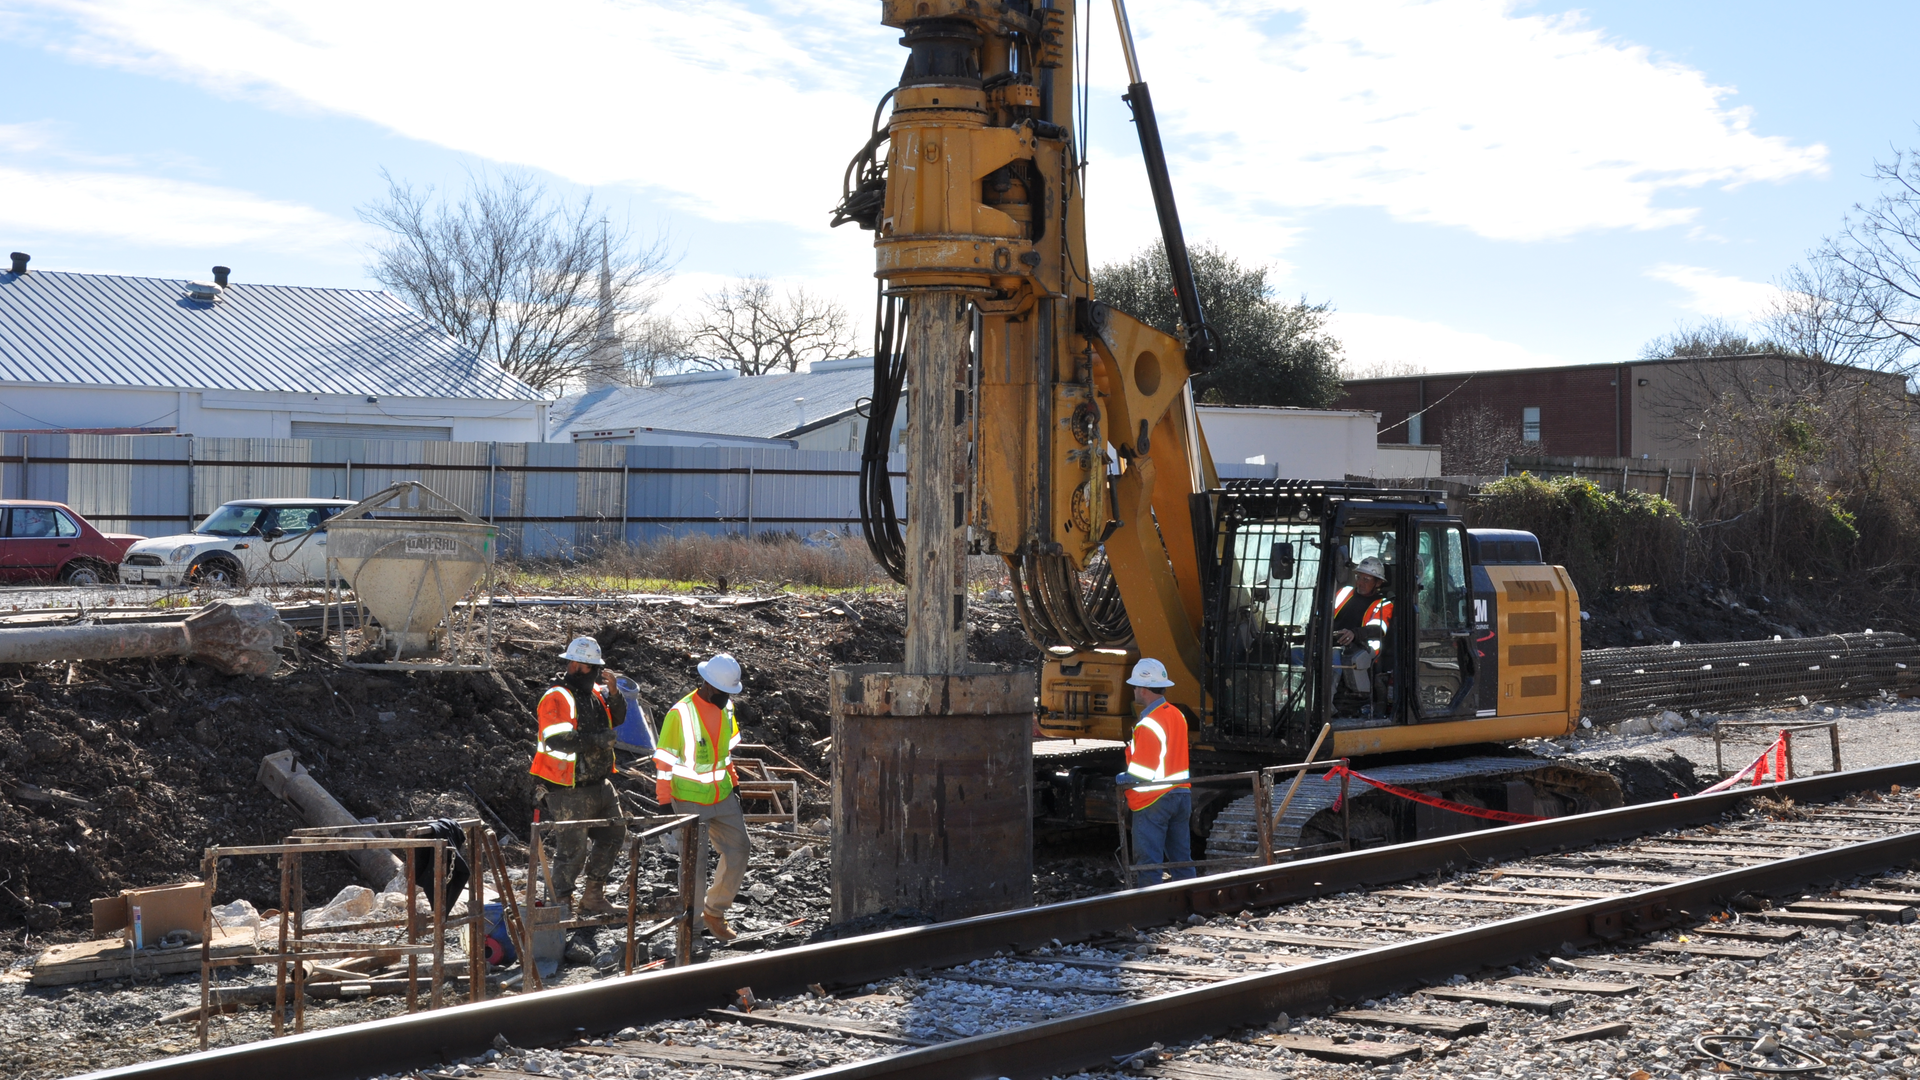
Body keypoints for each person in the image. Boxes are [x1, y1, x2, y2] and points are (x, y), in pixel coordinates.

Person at [653, 652, 751, 943]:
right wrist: (662, 801)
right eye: (723, 692)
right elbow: (664, 762)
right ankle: (691, 931)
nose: (726, 697)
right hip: (689, 798)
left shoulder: (727, 708)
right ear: (707, 685)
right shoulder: (680, 713)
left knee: (739, 850)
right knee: (693, 867)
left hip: (721, 794)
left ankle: (714, 912)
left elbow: (725, 754)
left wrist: (734, 783)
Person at [529, 636, 629, 916]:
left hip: (599, 782)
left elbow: (617, 718)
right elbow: (557, 740)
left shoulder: (595, 692)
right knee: (572, 850)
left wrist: (615, 694)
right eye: (580, 664)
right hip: (567, 787)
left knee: (613, 834)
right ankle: (561, 904)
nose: (579, 668)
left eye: (589, 666)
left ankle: (593, 896)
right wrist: (597, 740)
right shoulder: (557, 697)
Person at [1114, 658, 1193, 884]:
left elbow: (1143, 773)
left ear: (1144, 689)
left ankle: (1151, 911)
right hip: (1181, 795)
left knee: (1148, 864)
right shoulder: (1177, 715)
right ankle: (1191, 905)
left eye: (1136, 686)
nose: (1134, 690)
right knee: (1182, 861)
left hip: (1154, 800)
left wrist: (1120, 779)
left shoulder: (1149, 723)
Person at [1331, 555, 1393, 652]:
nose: (1360, 583)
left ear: (1378, 583)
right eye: (1358, 577)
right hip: (1332, 645)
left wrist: (1354, 634)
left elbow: (1378, 629)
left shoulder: (1384, 604)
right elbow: (1324, 615)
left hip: (1363, 653)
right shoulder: (1344, 592)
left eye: (1366, 580)